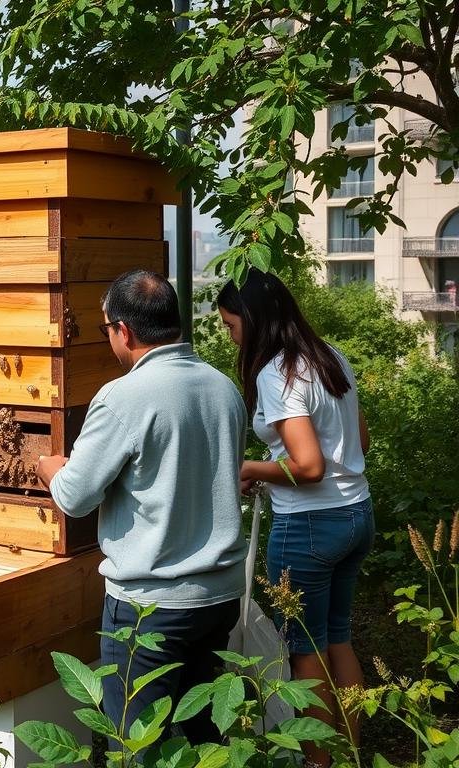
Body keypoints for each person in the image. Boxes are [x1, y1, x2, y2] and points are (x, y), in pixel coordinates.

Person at [36, 269, 247, 746]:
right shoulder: (222, 387)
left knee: (135, 745)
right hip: (218, 597)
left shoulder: (121, 397)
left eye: (105, 328)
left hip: (150, 608)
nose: (108, 338)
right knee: (201, 736)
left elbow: (74, 496)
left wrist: (52, 469)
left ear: (124, 331)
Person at [217, 268, 372, 767]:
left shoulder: (276, 373)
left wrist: (246, 467)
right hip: (356, 513)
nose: (231, 336)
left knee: (305, 651)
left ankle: (317, 762)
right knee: (338, 637)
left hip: (309, 528)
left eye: (232, 326)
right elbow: (357, 444)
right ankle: (349, 753)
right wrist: (273, 472)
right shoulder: (330, 358)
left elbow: (307, 465)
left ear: (255, 321)